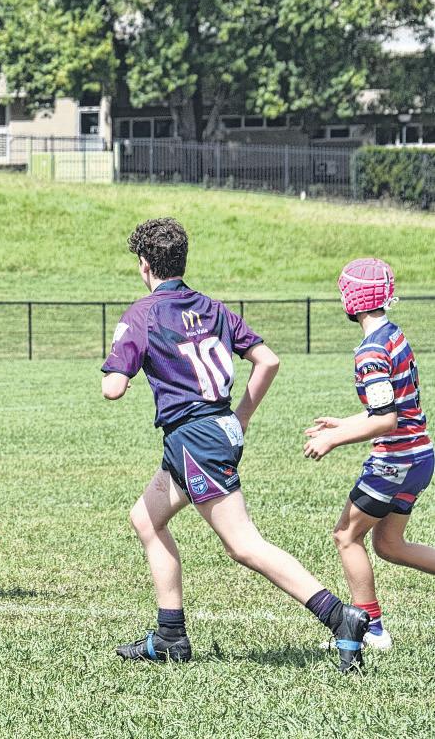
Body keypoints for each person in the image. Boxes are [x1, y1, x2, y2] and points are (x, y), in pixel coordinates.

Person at [101, 218, 369, 672]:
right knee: (145, 518)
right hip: (210, 432)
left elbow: (113, 389)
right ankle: (170, 636)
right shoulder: (212, 308)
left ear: (144, 264)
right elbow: (268, 360)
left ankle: (339, 616)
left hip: (195, 438)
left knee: (243, 544)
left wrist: (118, 359)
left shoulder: (142, 314)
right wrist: (240, 415)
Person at [305, 258, 435, 652]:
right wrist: (343, 423)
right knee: (389, 545)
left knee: (346, 536)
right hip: (420, 457)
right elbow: (391, 408)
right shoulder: (394, 335)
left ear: (351, 300)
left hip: (394, 462)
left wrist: (334, 439)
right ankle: (372, 628)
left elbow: (385, 420)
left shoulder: (370, 351)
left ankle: (371, 631)